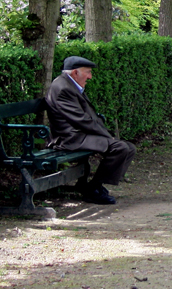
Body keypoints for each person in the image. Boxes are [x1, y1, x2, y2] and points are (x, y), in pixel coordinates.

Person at [45, 56, 136, 204]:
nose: (90, 76)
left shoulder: (69, 84)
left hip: (79, 134)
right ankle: (93, 190)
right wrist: (107, 136)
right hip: (70, 138)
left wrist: (107, 136)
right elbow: (81, 120)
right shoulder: (63, 88)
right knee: (120, 148)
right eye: (87, 72)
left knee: (129, 148)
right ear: (75, 72)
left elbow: (86, 118)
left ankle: (94, 186)